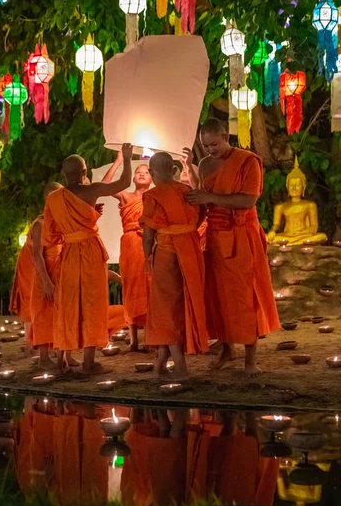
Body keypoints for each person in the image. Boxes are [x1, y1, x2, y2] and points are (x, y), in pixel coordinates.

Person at [185, 118, 280, 375]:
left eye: (214, 144)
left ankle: (251, 359)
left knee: (245, 296)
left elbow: (248, 200)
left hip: (242, 235)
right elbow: (204, 205)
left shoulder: (248, 161)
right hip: (215, 237)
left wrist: (210, 197)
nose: (210, 150)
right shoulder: (205, 165)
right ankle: (227, 349)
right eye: (205, 146)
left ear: (226, 136)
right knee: (218, 297)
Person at [43, 143, 133, 374]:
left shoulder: (54, 198)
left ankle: (63, 358)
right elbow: (123, 184)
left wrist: (81, 222)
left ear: (64, 175)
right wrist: (128, 158)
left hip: (70, 252)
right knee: (92, 302)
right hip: (90, 251)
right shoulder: (89, 190)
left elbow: (51, 234)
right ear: (84, 172)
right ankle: (89, 362)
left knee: (69, 302)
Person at [140, 152, 208, 380]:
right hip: (190, 249)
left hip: (167, 252)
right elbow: (200, 217)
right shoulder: (187, 191)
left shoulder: (153, 196)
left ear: (152, 173)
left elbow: (148, 235)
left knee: (166, 306)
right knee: (182, 303)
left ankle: (180, 366)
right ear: (174, 170)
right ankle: (161, 363)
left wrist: (147, 257)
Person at [102, 152, 152, 351]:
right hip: (131, 244)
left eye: (146, 172)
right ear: (132, 177)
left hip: (149, 243)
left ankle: (149, 338)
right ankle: (133, 340)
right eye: (138, 172)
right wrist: (119, 161)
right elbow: (106, 185)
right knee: (131, 287)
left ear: (152, 177)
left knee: (149, 286)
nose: (141, 174)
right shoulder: (126, 195)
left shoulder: (155, 197)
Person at [30, 182, 63, 369]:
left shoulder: (63, 221)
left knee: (63, 314)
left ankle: (63, 354)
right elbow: (36, 254)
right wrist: (46, 282)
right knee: (43, 314)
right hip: (45, 274)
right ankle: (43, 357)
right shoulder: (40, 224)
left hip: (62, 271)